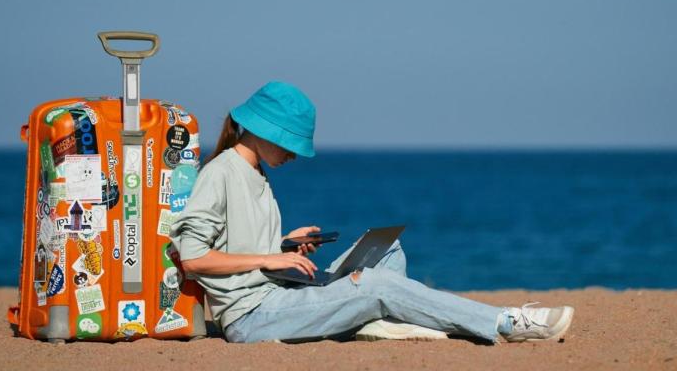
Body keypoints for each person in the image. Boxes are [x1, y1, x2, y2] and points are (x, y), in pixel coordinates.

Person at [169, 81, 574, 344]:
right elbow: (194, 257)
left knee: (387, 250)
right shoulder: (221, 172)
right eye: (289, 144)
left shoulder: (255, 172)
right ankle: (507, 322)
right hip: (254, 316)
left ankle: (369, 323)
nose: (293, 154)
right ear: (262, 131)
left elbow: (235, 243)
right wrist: (269, 257)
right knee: (377, 286)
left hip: (281, 292)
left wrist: (285, 243)